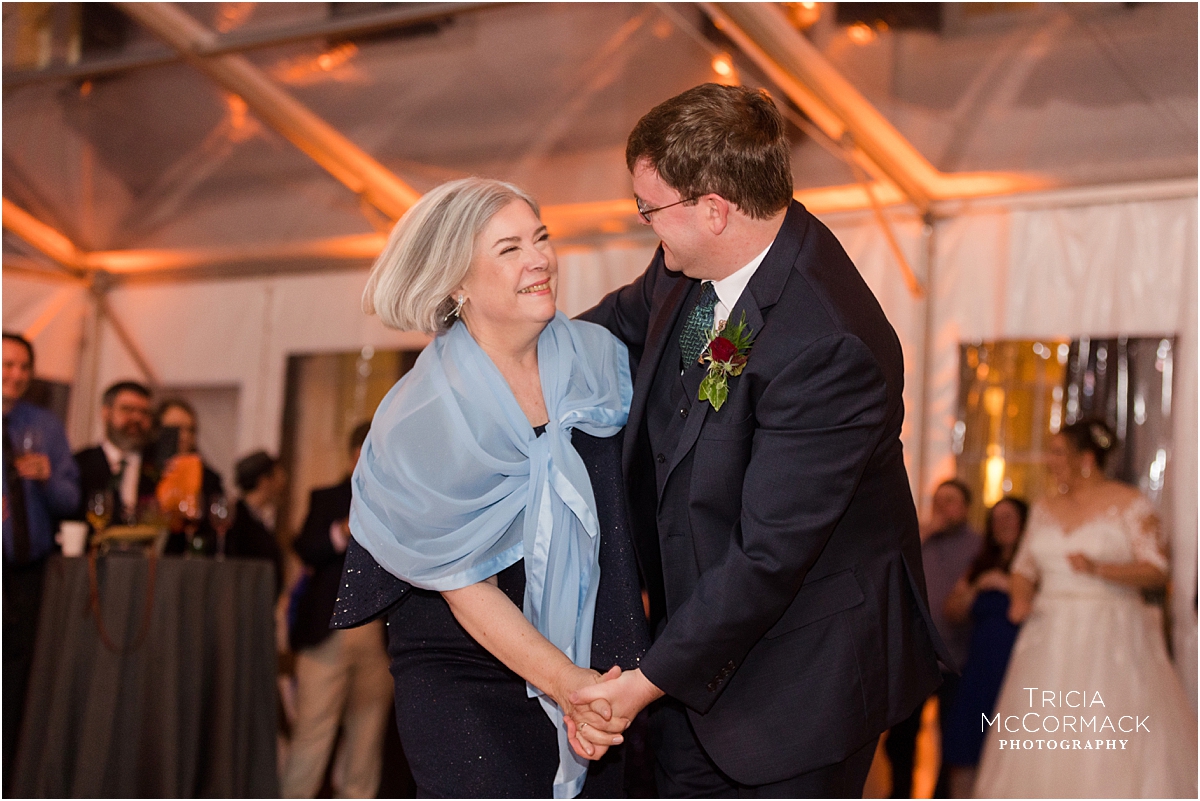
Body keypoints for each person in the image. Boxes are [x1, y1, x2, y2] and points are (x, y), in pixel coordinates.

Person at [573, 83, 947, 798]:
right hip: (694, 655)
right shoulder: (690, 269)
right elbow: (613, 326)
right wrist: (506, 348)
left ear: (714, 209)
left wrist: (643, 683)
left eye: (649, 208)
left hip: (800, 685)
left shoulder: (827, 343)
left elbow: (768, 555)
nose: (645, 223)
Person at [331, 177, 649, 798]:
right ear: (457, 282)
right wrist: (566, 683)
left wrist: (597, 680)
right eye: (509, 249)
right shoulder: (422, 416)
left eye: (541, 238)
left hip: (596, 658)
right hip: (466, 673)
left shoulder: (600, 362)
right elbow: (462, 585)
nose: (539, 259)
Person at [974, 421, 1197, 798]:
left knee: (1103, 726)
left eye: (1058, 452)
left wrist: (1099, 569)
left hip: (1109, 634)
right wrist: (1020, 598)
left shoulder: (1129, 503)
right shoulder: (1044, 508)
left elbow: (1157, 570)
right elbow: (1024, 568)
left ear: (1086, 458)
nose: (1050, 461)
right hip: (1047, 636)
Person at [281, 421, 393, 799]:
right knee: (312, 737)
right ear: (354, 456)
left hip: (379, 636)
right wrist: (343, 529)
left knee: (367, 745)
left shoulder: (400, 500)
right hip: (328, 633)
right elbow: (307, 548)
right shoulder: (326, 497)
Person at [2, 332, 80, 793]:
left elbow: (70, 499)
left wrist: (49, 477)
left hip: (29, 572)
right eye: (6, 364)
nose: (15, 374)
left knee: (19, 678)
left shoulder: (44, 425)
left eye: (23, 367)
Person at [886, 478, 981, 798]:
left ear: (966, 507)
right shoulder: (917, 537)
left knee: (951, 736)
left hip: (958, 659)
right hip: (915, 656)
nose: (942, 507)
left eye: (950, 501)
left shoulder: (978, 545)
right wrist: (924, 532)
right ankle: (900, 793)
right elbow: (891, 567)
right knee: (901, 737)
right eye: (937, 501)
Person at [939, 496, 1028, 797]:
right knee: (965, 749)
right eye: (996, 518)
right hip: (979, 669)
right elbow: (952, 610)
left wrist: (1008, 586)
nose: (1002, 524)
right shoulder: (980, 564)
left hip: (1016, 669)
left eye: (1009, 517)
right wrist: (979, 586)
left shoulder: (1032, 565)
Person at [74, 381, 157, 528]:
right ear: (106, 412)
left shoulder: (158, 465)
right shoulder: (80, 463)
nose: (137, 418)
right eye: (127, 409)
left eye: (144, 412)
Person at [154, 398, 225, 554]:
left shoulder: (209, 478)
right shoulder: (144, 469)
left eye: (190, 430)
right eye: (175, 429)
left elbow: (214, 528)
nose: (184, 436)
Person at [225, 450, 286, 592]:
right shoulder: (236, 520)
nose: (283, 482)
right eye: (278, 476)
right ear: (264, 481)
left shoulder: (256, 518)